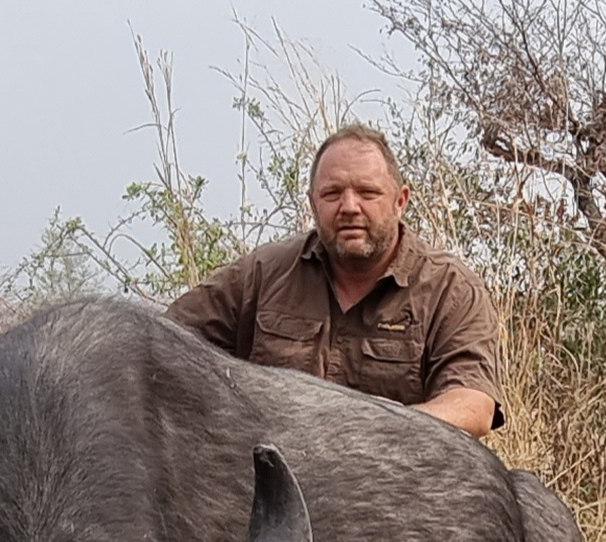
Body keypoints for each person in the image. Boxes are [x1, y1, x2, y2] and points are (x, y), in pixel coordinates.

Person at [167, 124, 503, 438]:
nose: (349, 207)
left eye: (368, 192)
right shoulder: (260, 275)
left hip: (397, 485)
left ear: (400, 201)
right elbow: (159, 344)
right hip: (272, 482)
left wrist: (375, 432)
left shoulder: (451, 289)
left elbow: (473, 406)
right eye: (332, 194)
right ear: (313, 201)